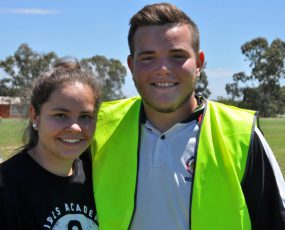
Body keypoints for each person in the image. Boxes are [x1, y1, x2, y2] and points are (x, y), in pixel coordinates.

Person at [91, 3, 285, 230]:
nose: (163, 68)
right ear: (131, 66)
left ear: (199, 64)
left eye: (177, 56)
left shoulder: (241, 133)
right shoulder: (97, 126)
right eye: (148, 58)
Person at [0, 57, 100, 229]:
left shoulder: (98, 176)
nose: (75, 128)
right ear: (34, 115)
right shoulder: (7, 186)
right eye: (61, 115)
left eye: (85, 116)